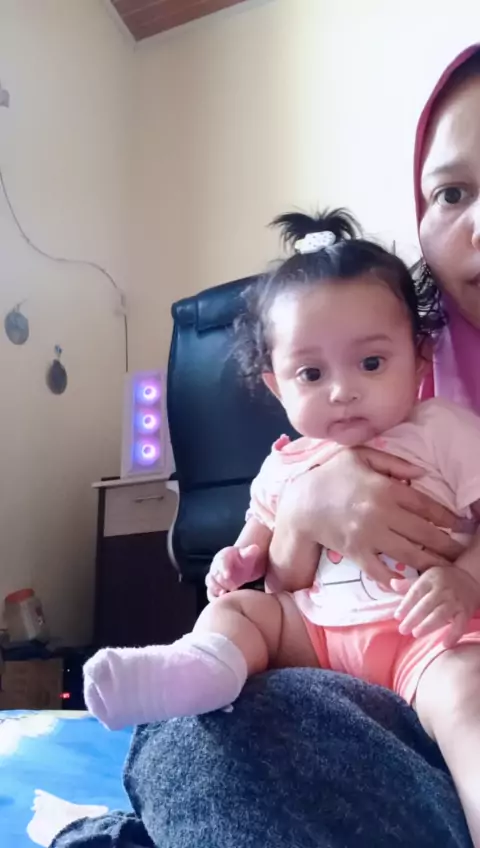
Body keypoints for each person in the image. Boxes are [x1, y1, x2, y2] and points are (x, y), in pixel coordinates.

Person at [56, 45, 479, 848]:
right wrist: (279, 532)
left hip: (430, 657)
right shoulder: (305, 452)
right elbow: (278, 573)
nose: (344, 391)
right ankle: (198, 673)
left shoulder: (443, 431)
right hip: (321, 649)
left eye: (370, 362)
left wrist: (462, 578)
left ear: (409, 352)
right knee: (204, 720)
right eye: (451, 192)